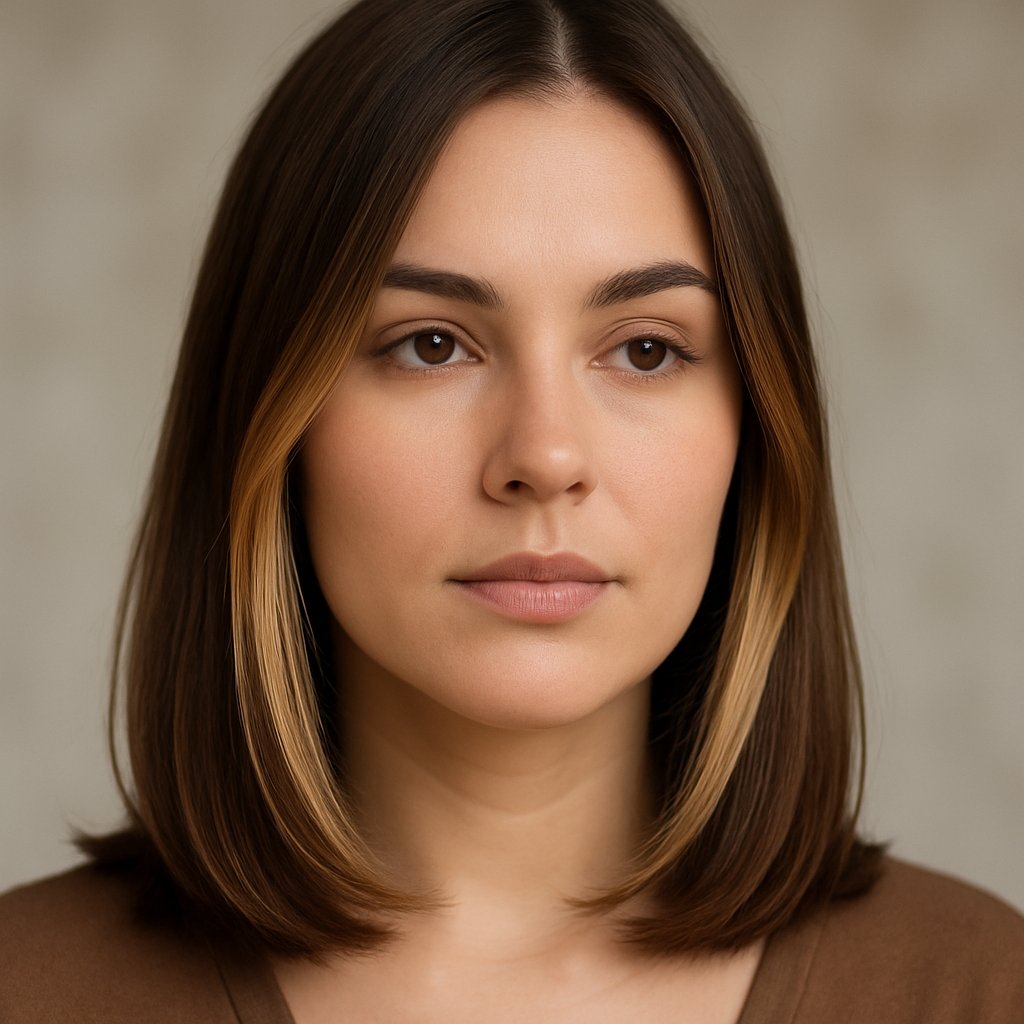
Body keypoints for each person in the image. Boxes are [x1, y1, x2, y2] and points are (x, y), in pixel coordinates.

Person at [1, 0, 1021, 1020]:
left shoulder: (976, 988)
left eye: (645, 348)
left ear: (759, 429)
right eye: (431, 343)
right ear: (271, 421)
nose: (544, 456)